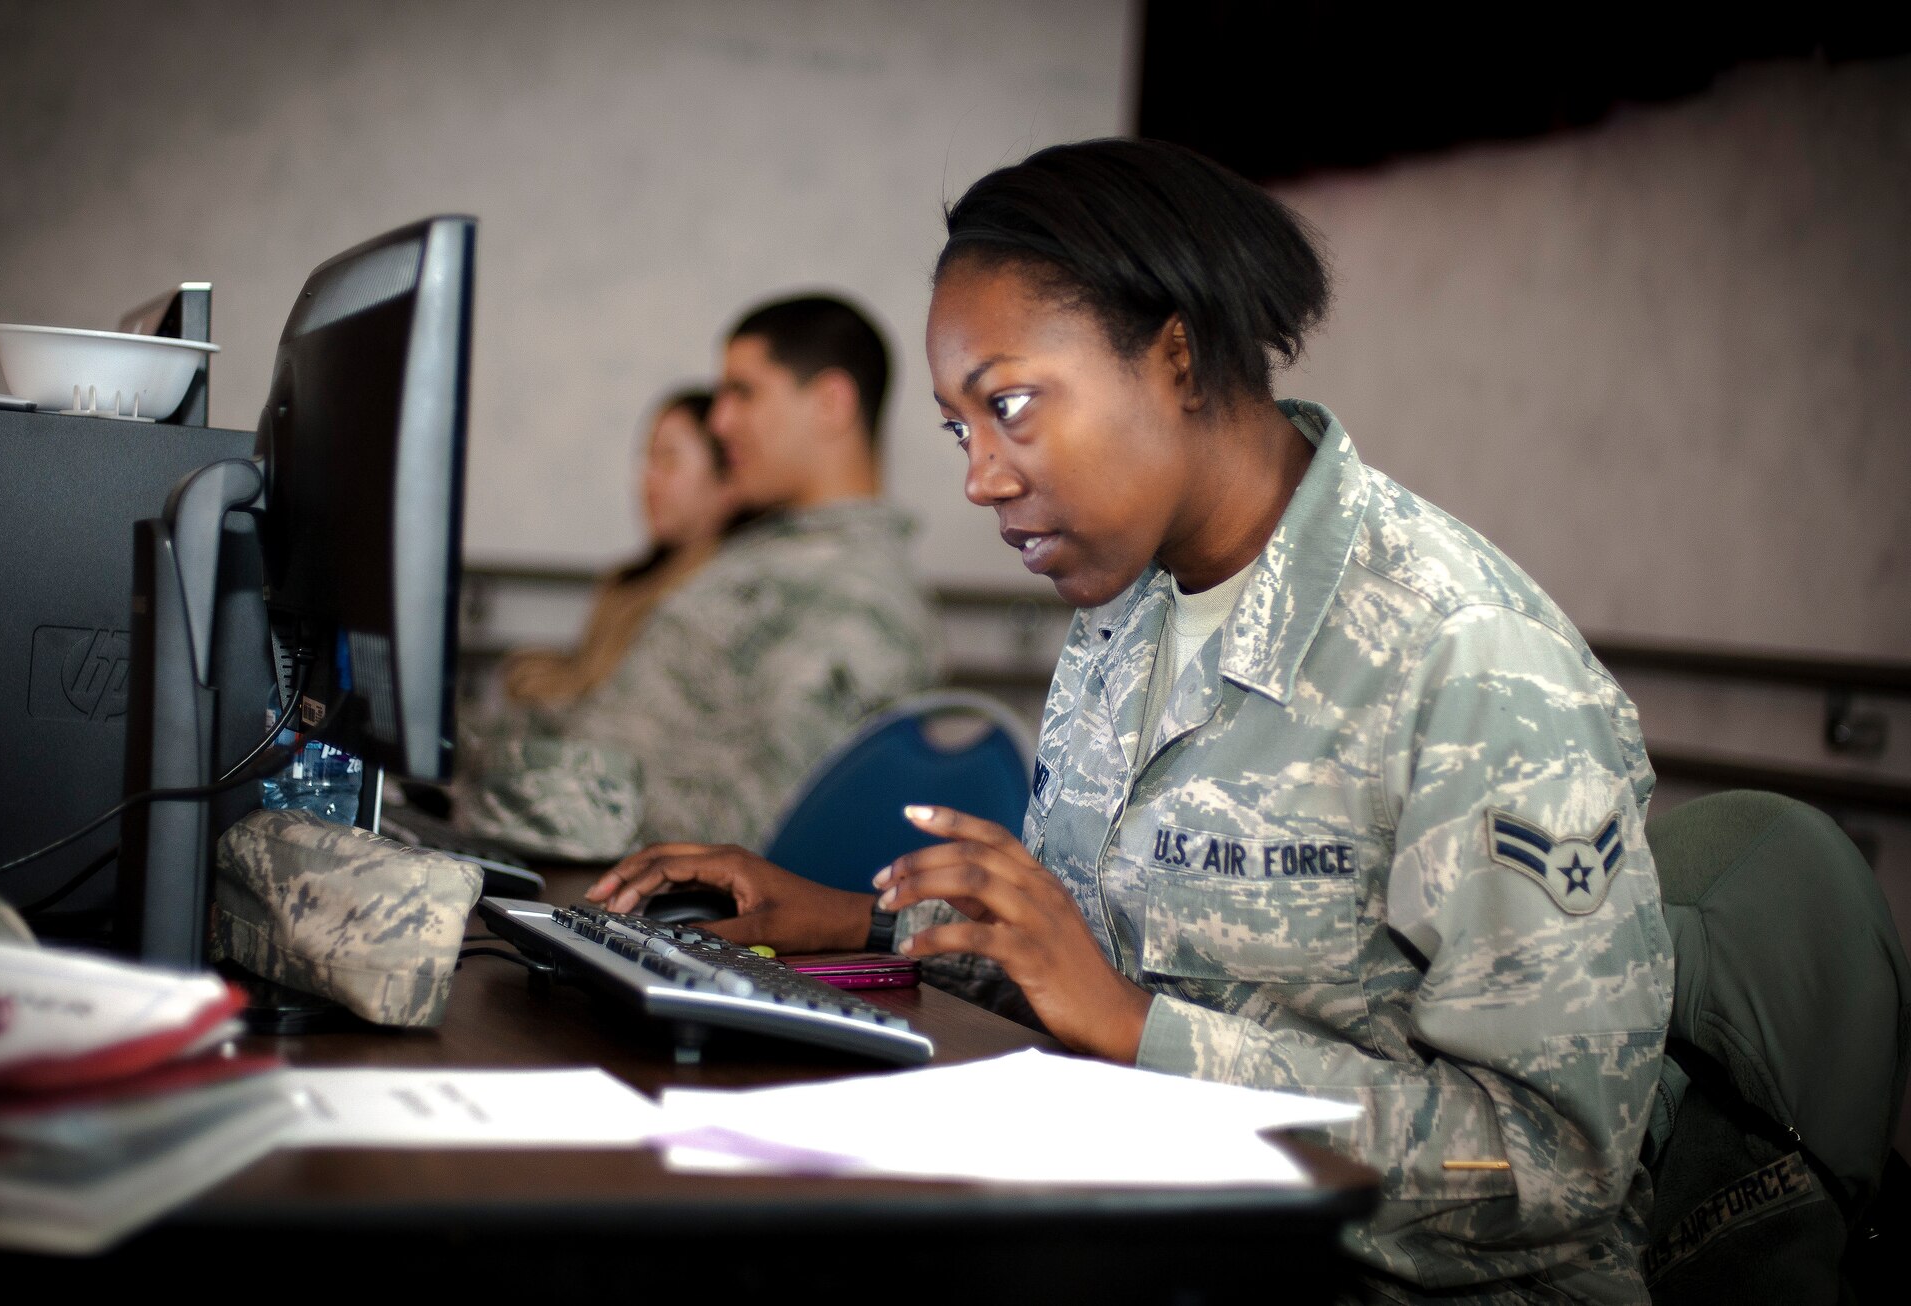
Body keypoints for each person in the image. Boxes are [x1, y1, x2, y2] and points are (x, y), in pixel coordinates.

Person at [588, 140, 1673, 1304]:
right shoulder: (1131, 611)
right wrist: (855, 920)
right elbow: (1087, 965)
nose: (979, 478)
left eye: (1009, 406)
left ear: (1176, 358)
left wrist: (1140, 1030)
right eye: (959, 429)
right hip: (1136, 1232)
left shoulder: (1466, 655)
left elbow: (1555, 1163)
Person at [457, 295, 942, 861]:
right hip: (565, 837)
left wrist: (499, 786)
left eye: (744, 392)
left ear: (831, 403)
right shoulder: (768, 556)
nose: (720, 420)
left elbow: (759, 831)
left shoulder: (858, 600)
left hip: (617, 872)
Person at [501, 389, 734, 707]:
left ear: (726, 476)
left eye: (668, 460)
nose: (648, 479)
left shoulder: (720, 587)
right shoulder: (628, 581)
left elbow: (617, 702)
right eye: (648, 460)